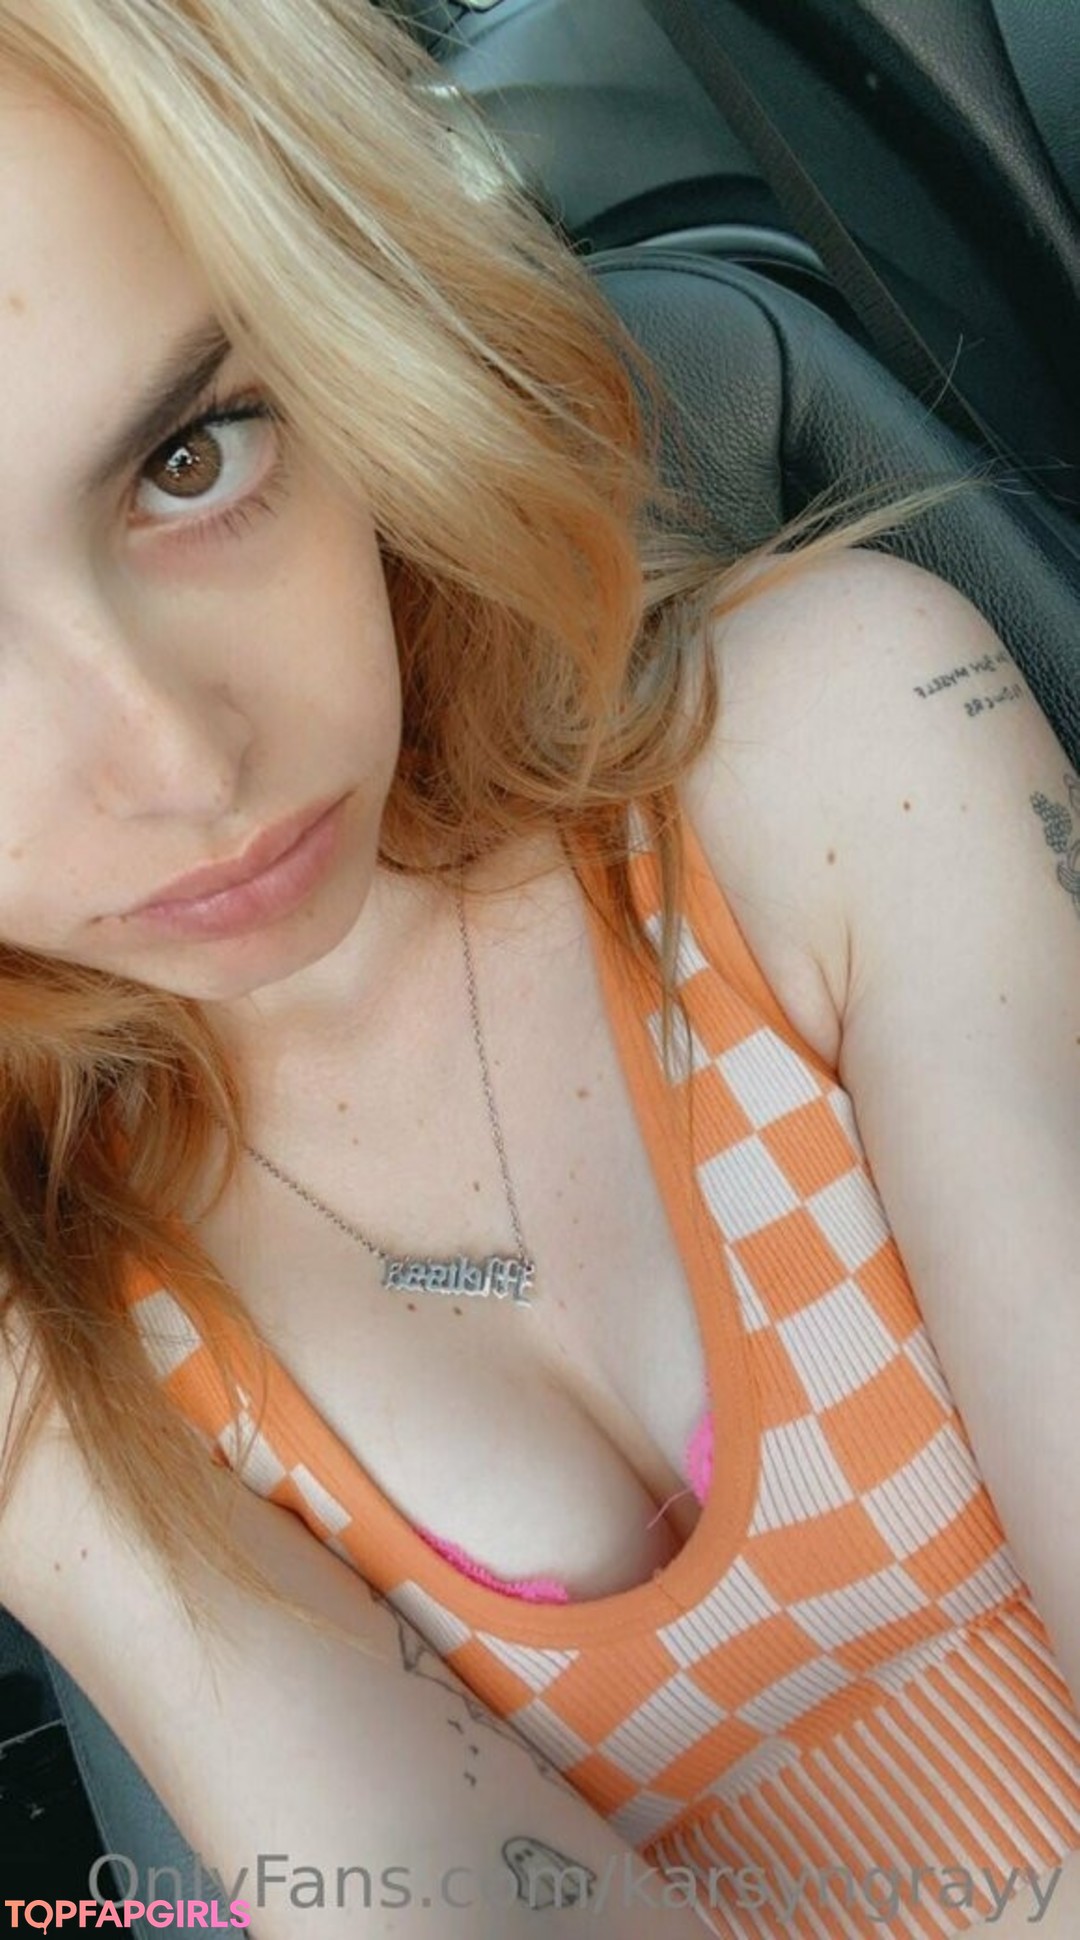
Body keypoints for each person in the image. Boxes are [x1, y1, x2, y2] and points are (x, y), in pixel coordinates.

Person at [0, 2, 1076, 1935]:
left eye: (188, 455)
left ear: (346, 346)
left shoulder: (834, 751)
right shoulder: (50, 1335)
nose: (179, 760)